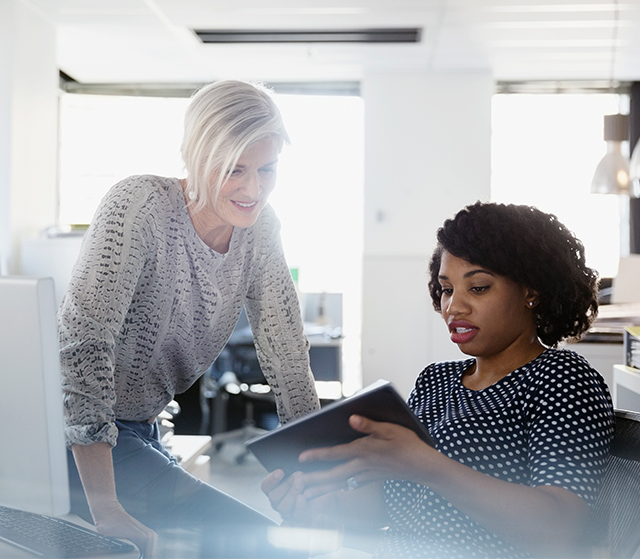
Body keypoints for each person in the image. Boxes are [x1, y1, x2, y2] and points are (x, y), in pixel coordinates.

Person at [262, 201, 615, 559]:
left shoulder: (562, 378)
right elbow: (385, 510)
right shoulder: (435, 381)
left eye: (478, 288)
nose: (454, 307)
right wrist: (318, 506)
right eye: (446, 289)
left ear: (532, 291)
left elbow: (560, 530)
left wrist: (426, 466)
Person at [58, 80, 320, 557]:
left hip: (137, 427)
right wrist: (104, 503)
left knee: (287, 541)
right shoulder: (140, 207)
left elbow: (287, 356)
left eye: (268, 168)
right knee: (255, 542)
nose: (253, 188)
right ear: (197, 157)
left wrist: (313, 476)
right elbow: (83, 345)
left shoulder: (261, 229)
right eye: (234, 169)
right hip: (71, 434)